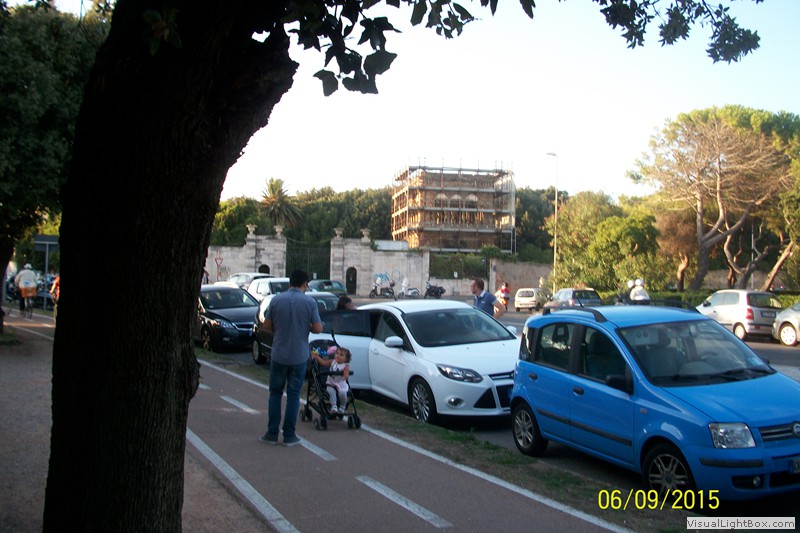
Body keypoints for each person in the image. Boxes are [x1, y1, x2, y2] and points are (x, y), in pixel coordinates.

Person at [260, 269, 323, 447]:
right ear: (305, 284)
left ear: (290, 283)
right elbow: (318, 328)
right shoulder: (310, 302)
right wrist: (306, 326)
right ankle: (289, 434)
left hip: (279, 353)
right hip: (299, 355)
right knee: (294, 395)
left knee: (275, 393)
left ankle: (272, 433)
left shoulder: (276, 300)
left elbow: (266, 325)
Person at [310, 345, 352, 416]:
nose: (338, 355)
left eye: (341, 355)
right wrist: (317, 357)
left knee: (342, 393)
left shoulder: (345, 366)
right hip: (331, 383)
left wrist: (345, 375)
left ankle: (342, 407)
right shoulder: (332, 361)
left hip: (341, 384)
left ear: (346, 359)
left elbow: (346, 373)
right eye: (337, 353)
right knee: (330, 391)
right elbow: (323, 363)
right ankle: (334, 406)